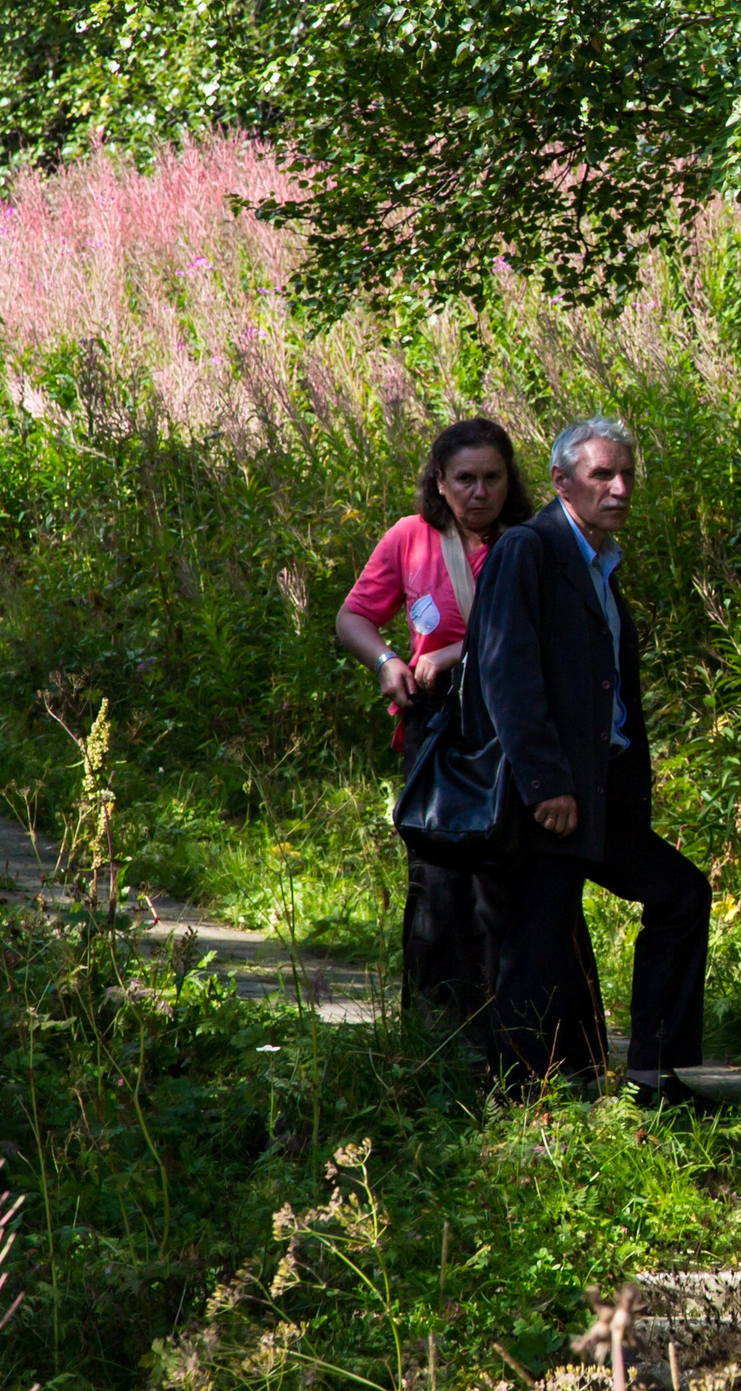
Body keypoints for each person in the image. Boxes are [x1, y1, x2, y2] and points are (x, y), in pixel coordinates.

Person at [470, 416, 715, 1108]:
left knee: (680, 894)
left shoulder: (601, 563)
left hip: (600, 792)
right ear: (561, 481)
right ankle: (515, 1096)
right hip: (550, 794)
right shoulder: (530, 549)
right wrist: (545, 781)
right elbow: (507, 673)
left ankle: (653, 1078)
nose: (619, 487)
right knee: (540, 938)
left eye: (627, 474)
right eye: (602, 474)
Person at [333, 417, 532, 1039]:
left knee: (510, 883)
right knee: (438, 881)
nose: (480, 491)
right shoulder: (410, 538)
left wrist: (457, 653)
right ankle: (438, 1040)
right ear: (439, 482)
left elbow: (544, 639)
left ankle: (521, 1041)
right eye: (465, 478)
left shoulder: (529, 543)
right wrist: (387, 662)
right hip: (439, 731)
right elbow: (353, 617)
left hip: (514, 731)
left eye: (493, 477)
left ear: (510, 480)